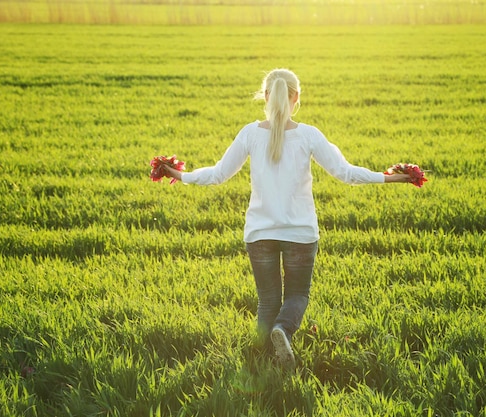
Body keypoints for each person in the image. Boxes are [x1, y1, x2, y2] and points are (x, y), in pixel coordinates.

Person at [164, 68, 411, 370]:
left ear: (266, 97)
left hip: (260, 233)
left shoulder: (249, 134)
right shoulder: (309, 135)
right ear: (296, 98)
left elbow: (217, 175)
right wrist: (392, 178)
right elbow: (346, 173)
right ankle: (283, 330)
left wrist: (180, 174)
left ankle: (260, 364)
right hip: (300, 234)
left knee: (267, 301)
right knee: (297, 294)